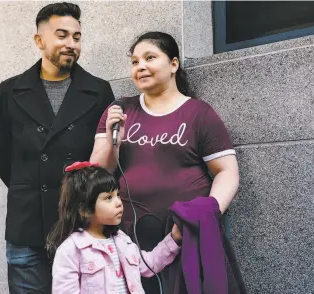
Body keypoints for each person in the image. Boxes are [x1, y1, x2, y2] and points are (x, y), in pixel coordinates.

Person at [90, 32, 242, 292]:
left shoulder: (199, 113)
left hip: (186, 234)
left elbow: (227, 171)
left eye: (150, 57)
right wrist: (113, 141)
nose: (141, 66)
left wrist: (202, 215)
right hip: (130, 238)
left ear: (174, 64)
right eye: (135, 62)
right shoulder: (118, 111)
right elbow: (96, 175)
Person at [0, 3, 115, 293]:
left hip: (81, 222)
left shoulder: (99, 90)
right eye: (62, 35)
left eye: (77, 37)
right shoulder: (10, 90)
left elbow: (105, 153)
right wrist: (31, 185)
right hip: (27, 222)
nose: (71, 44)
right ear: (39, 40)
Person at [47, 162, 181, 294]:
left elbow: (148, 264)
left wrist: (174, 239)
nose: (118, 203)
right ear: (85, 210)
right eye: (108, 198)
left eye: (117, 194)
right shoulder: (70, 250)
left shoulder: (122, 240)